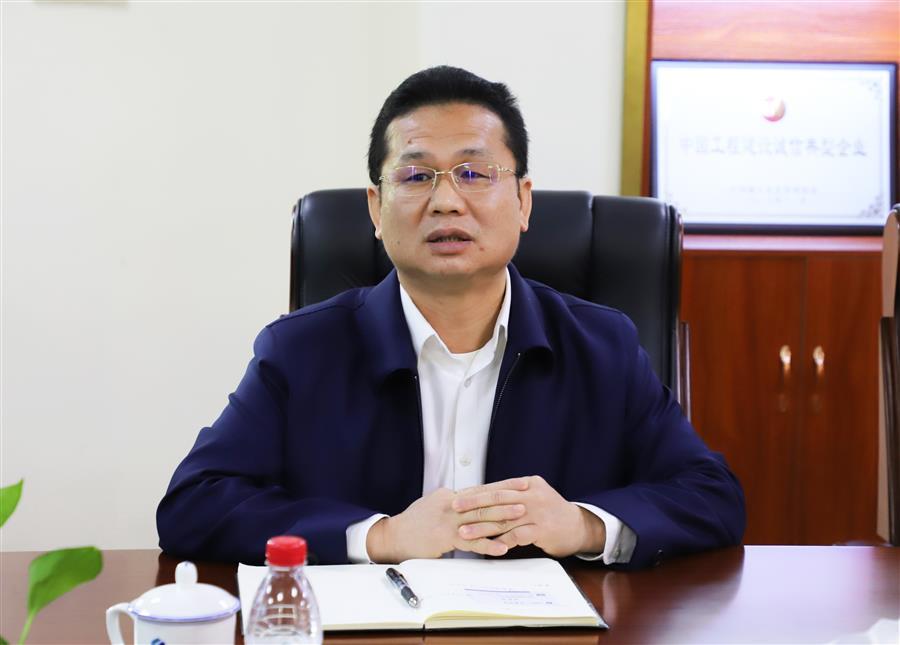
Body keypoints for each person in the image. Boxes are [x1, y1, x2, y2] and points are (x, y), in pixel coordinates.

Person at [157, 66, 744, 569]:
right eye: (416, 176)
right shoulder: (302, 350)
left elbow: (710, 495)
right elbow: (194, 504)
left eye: (474, 173)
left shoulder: (601, 345)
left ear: (523, 201)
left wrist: (584, 526)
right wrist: (379, 537)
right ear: (376, 210)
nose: (445, 201)